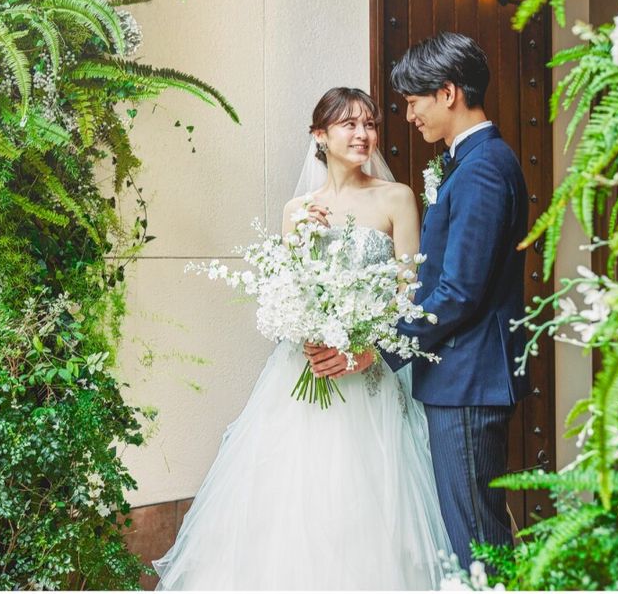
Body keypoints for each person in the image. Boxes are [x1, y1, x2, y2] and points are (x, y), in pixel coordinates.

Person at [153, 87, 451, 590]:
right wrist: (304, 293)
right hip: (304, 374)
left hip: (368, 376)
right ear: (320, 135)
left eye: (370, 124)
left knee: (368, 502)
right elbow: (289, 293)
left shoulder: (396, 198)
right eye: (349, 124)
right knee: (292, 500)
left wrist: (366, 347)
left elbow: (410, 295)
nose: (363, 135)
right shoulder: (297, 209)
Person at [310, 34, 531, 569]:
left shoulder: (482, 167)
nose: (408, 116)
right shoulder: (470, 161)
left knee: (477, 542)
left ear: (448, 93)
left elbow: (459, 291)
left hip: (468, 379)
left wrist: (379, 349)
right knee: (472, 533)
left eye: (413, 101)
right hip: (460, 377)